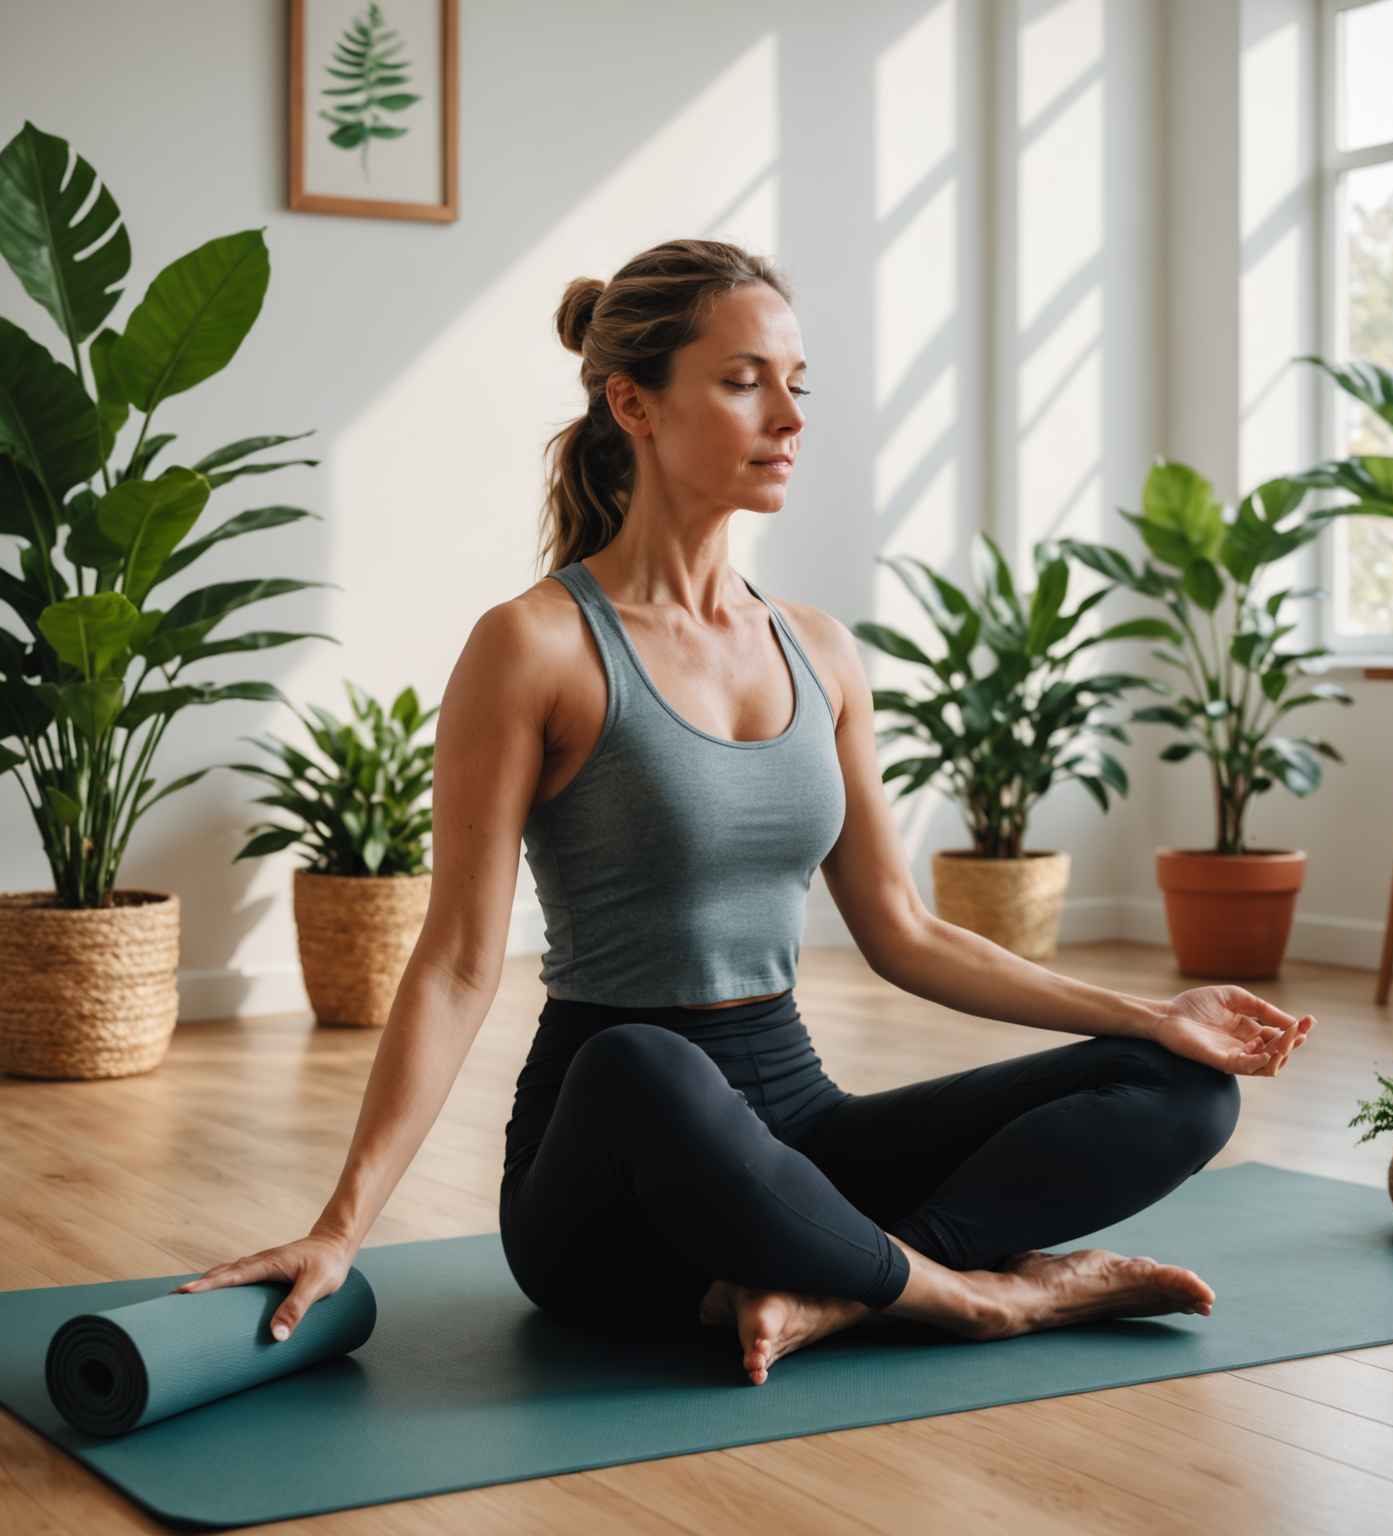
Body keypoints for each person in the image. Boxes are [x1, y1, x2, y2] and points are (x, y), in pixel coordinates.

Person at [179, 239, 1314, 1386]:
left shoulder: (818, 649)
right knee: (634, 1059)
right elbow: (462, 964)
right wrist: (342, 1224)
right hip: (613, 1189)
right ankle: (984, 1297)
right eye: (743, 380)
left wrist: (1148, 1015)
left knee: (1180, 1086)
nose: (790, 415)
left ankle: (849, 1288)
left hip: (796, 1133)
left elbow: (904, 934)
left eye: (797, 383)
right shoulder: (534, 646)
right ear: (635, 403)